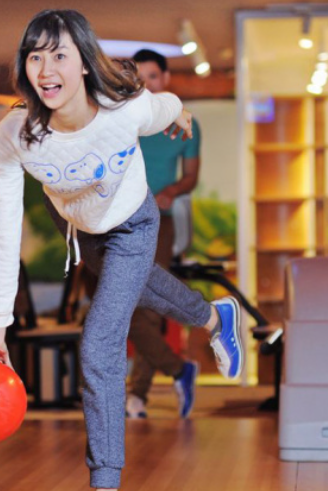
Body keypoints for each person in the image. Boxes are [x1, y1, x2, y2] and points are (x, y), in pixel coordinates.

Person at [0, 10, 243, 491]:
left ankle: (105, 489)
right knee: (143, 287)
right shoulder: (15, 136)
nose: (46, 70)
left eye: (59, 56)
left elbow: (165, 104)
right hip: (80, 228)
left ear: (84, 64)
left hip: (134, 222)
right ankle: (214, 317)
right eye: (35, 57)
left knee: (99, 342)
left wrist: (177, 111)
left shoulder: (125, 109)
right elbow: (4, 232)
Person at [124, 49, 203, 420]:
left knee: (147, 306)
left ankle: (136, 395)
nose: (145, 84)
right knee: (127, 309)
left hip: (161, 222)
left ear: (165, 80)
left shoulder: (183, 124)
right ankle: (177, 370)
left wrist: (171, 191)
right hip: (118, 223)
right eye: (138, 77)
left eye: (152, 77)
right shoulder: (123, 119)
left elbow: (191, 177)